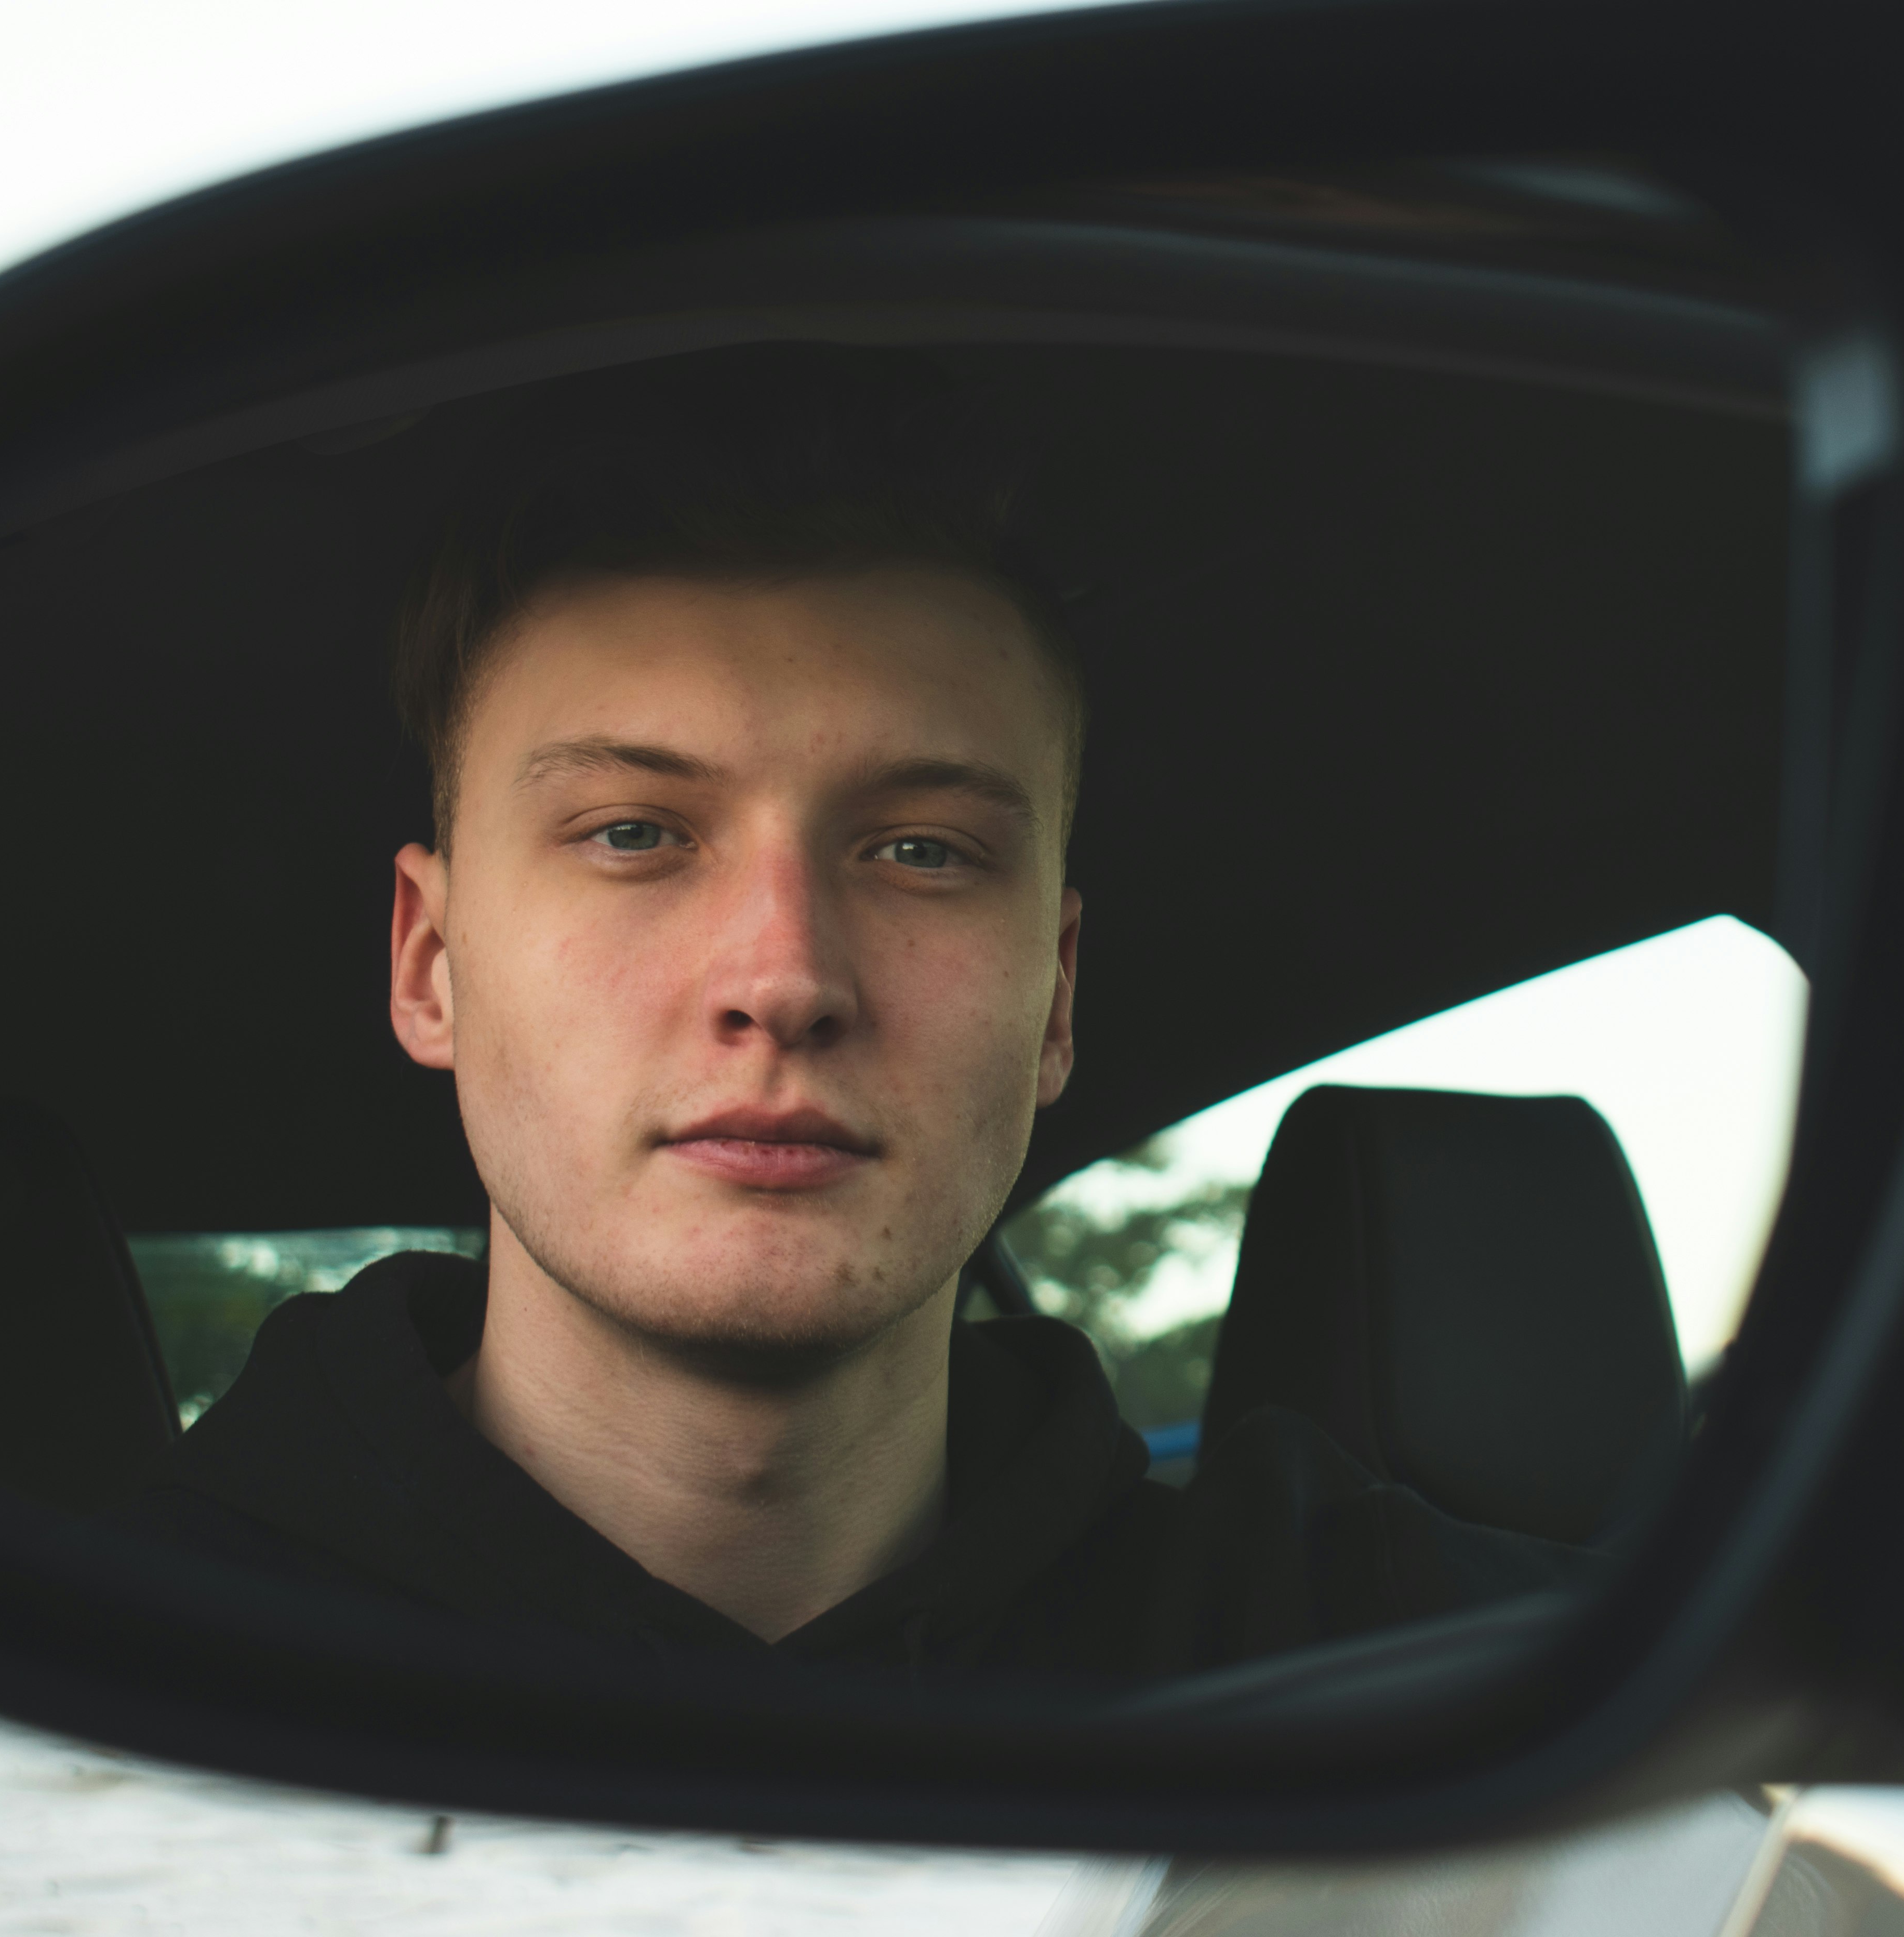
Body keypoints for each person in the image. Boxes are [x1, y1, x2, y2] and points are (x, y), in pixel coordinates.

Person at [122, 345, 1578, 1679]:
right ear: (431, 961)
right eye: (635, 834)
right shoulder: (106, 1665)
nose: (785, 980)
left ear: (1057, 997)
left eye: (920, 852)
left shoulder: (1387, 1657)